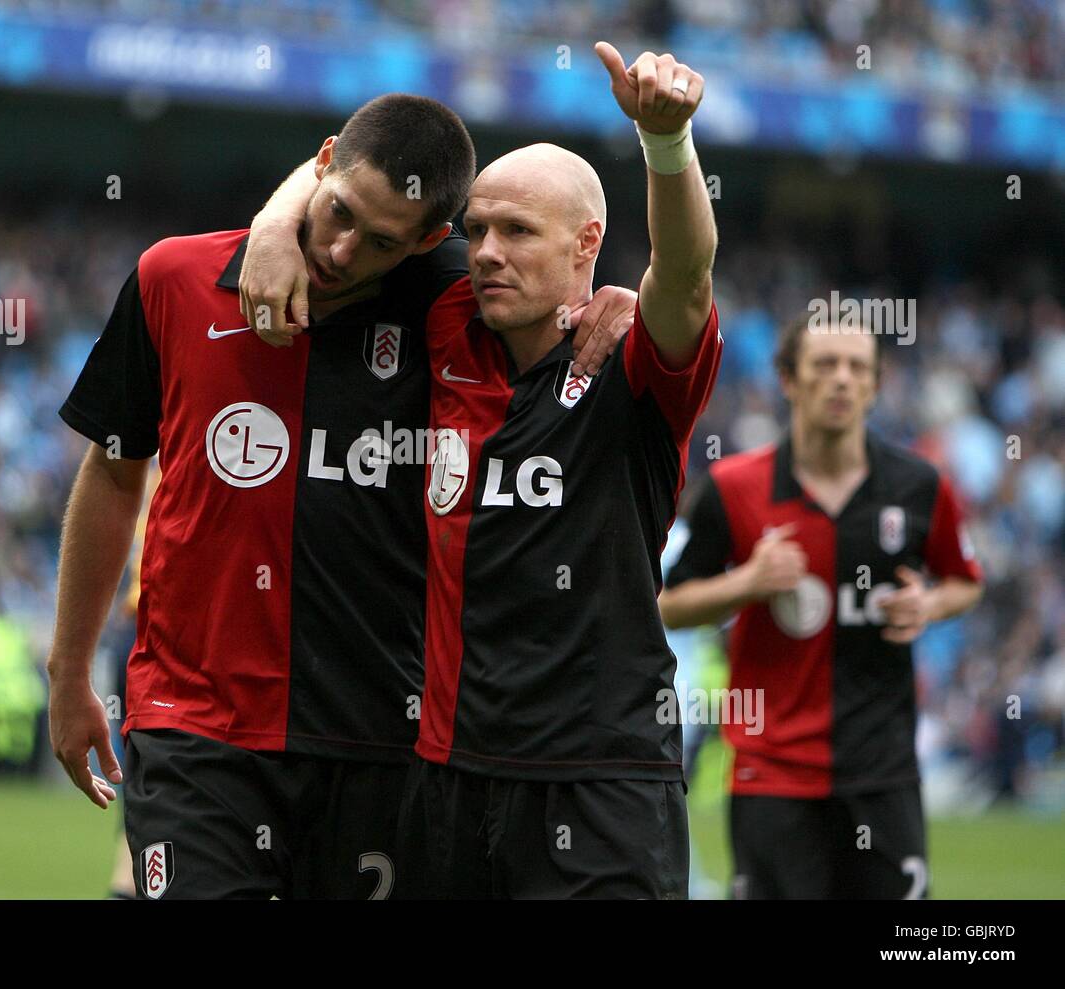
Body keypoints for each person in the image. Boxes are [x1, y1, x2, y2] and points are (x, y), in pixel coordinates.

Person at [49, 92, 633, 899]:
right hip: (199, 727)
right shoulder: (173, 280)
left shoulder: (455, 309)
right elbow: (115, 473)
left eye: (382, 239)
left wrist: (614, 302)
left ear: (430, 241)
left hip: (384, 741)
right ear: (320, 166)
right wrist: (68, 666)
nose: (341, 249)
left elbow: (556, 292)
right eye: (339, 213)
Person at [397, 43, 721, 898]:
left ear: (587, 244)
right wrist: (281, 227)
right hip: (447, 772)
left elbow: (685, 277)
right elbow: (348, 210)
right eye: (476, 231)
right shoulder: (443, 334)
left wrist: (666, 144)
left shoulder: (632, 368)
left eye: (516, 232)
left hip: (601, 776)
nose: (487, 252)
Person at [657, 309, 985, 899]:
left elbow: (966, 581)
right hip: (772, 773)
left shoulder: (920, 487)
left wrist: (928, 606)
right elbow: (670, 605)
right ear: (788, 379)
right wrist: (748, 582)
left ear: (876, 384)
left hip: (882, 772)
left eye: (857, 367)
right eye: (824, 364)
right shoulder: (736, 487)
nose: (841, 379)